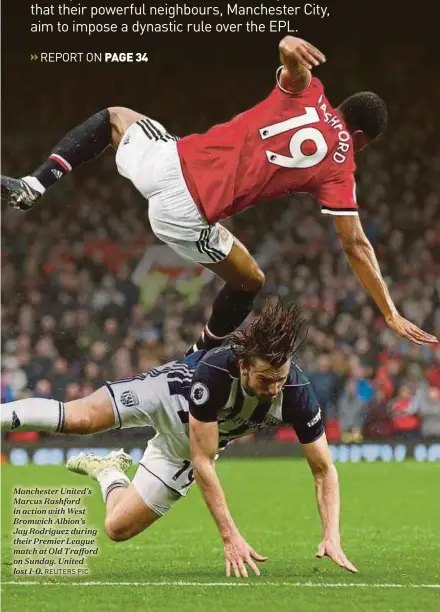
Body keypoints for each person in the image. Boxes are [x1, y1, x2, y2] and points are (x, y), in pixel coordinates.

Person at [2, 36, 436, 351]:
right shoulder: (340, 166)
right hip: (186, 213)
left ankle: (35, 184)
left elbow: (288, 55)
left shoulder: (309, 91)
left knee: (114, 117)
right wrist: (389, 311)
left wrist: (289, 43)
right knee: (251, 280)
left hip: (168, 160)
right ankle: (200, 354)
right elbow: (356, 244)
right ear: (360, 137)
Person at [1, 298, 357, 577]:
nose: (274, 388)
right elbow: (205, 461)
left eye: (280, 378)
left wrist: (331, 534)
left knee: (117, 528)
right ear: (244, 366)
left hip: (184, 446)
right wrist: (230, 536)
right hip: (165, 396)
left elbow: (324, 469)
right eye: (266, 379)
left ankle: (108, 471)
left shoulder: (295, 391)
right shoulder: (217, 371)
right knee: (81, 419)